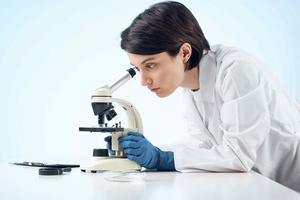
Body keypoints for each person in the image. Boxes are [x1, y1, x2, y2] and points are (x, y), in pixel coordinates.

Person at [104, 1, 300, 192]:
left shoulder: (235, 70)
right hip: (271, 186)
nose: (143, 80)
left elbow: (238, 156)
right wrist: (139, 152)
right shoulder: (190, 89)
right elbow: (203, 147)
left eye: (151, 65)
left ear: (184, 53)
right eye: (138, 68)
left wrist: (162, 158)